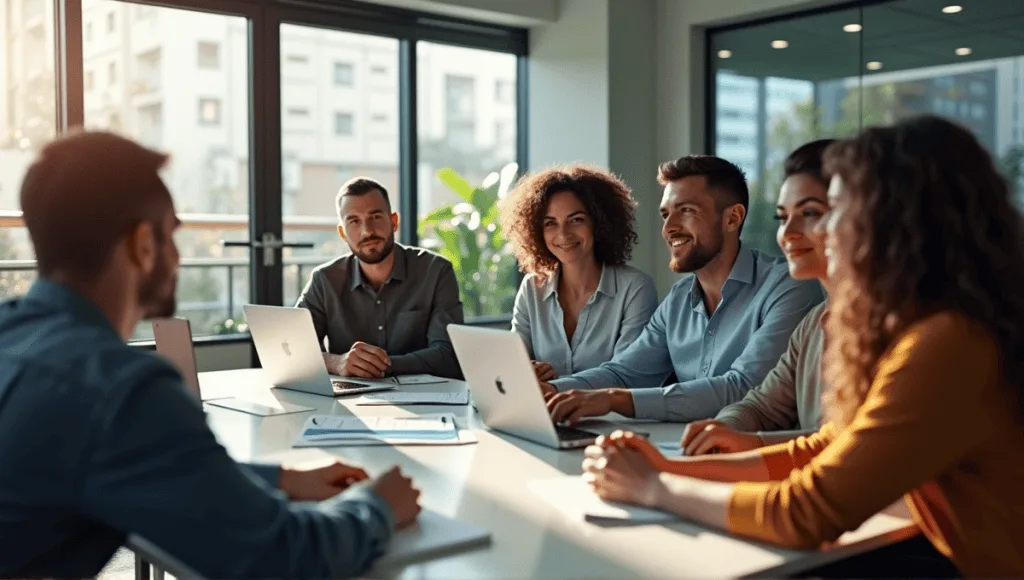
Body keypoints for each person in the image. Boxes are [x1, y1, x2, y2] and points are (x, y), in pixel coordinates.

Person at [584, 116, 1024, 577]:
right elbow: (822, 448)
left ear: (898, 222)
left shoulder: (950, 343)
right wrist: (666, 468)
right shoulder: (929, 327)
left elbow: (805, 513)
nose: (821, 231)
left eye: (836, 210)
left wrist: (655, 487)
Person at [0, 131, 422, 578]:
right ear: (144, 245)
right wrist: (377, 506)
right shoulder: (122, 391)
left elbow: (152, 464)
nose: (178, 257)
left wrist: (282, 479)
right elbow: (283, 557)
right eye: (172, 235)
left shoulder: (11, 331)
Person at [545, 155, 824, 423]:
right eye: (666, 214)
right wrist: (551, 390)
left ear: (732, 218)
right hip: (683, 444)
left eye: (687, 211)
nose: (669, 228)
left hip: (756, 449)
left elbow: (745, 388)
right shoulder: (677, 301)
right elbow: (624, 373)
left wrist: (616, 400)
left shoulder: (787, 286)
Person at [681, 140, 834, 456]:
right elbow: (761, 405)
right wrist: (723, 429)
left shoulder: (900, 327)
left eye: (809, 213)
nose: (788, 233)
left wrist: (754, 444)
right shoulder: (814, 323)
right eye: (782, 217)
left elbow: (851, 446)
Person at [500, 165, 658, 381]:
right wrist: (528, 370)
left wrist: (558, 385)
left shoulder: (635, 288)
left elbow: (625, 375)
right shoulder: (532, 288)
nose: (563, 234)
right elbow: (514, 360)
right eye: (550, 223)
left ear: (599, 223)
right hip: (541, 403)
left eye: (576, 220)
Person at [296, 177, 464, 379]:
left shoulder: (436, 272)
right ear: (342, 233)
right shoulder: (324, 280)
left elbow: (447, 355)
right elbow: (293, 349)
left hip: (424, 396)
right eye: (354, 221)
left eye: (375, 217)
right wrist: (337, 362)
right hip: (351, 396)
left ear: (394, 222)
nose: (367, 231)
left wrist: (379, 366)